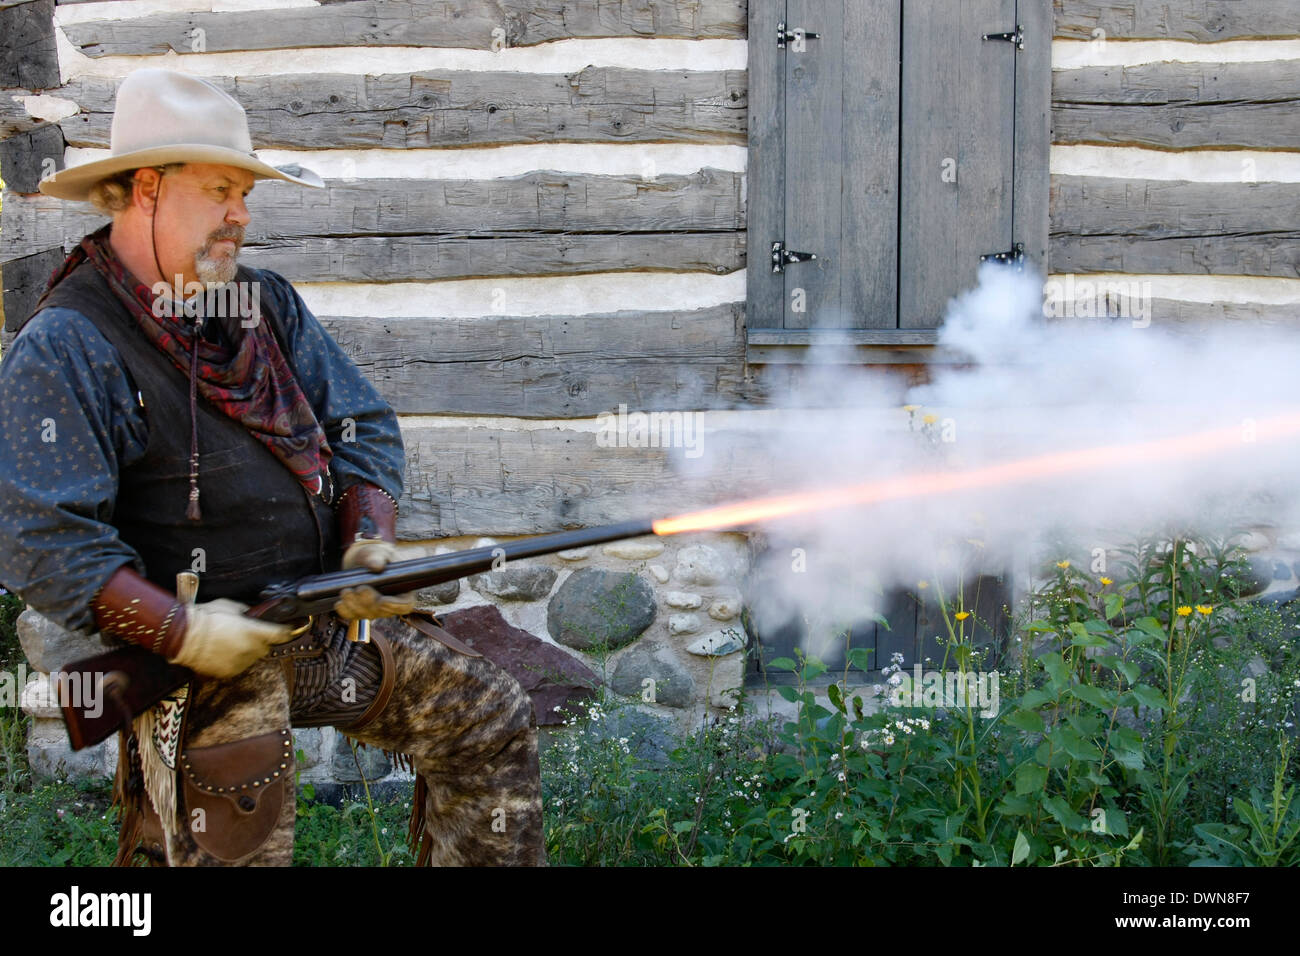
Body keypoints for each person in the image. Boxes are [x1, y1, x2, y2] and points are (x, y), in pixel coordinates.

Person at [0, 69, 545, 865]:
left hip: (315, 625)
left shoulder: (264, 305)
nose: (241, 215)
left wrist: (368, 543)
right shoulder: (67, 344)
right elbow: (41, 540)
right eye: (221, 189)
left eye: (245, 193)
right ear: (146, 189)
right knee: (241, 818)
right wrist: (182, 629)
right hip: (189, 662)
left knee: (486, 710)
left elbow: (363, 428)